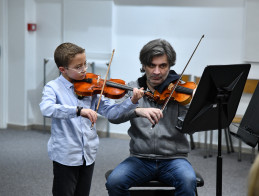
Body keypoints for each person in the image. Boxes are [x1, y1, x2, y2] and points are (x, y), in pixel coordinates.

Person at [39, 42, 144, 196]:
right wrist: (78, 110)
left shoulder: (93, 88)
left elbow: (111, 113)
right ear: (63, 69)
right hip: (66, 155)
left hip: (88, 153)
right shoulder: (53, 87)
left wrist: (132, 102)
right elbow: (46, 108)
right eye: (78, 67)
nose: (84, 70)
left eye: (85, 64)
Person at [105, 39, 197, 196]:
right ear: (143, 66)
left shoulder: (180, 92)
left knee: (188, 181)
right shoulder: (133, 88)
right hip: (140, 159)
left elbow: (191, 129)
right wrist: (135, 108)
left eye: (163, 66)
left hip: (174, 159)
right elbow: (114, 117)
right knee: (114, 182)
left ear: (170, 66)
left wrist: (193, 104)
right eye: (151, 65)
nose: (157, 72)